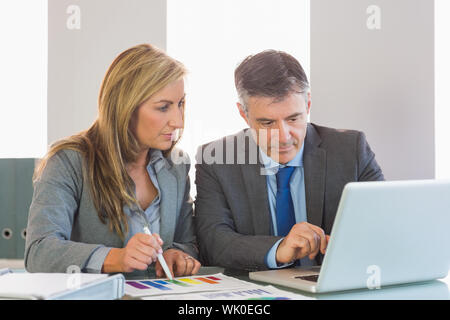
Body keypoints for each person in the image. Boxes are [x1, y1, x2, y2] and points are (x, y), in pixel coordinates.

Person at [194, 49, 384, 271]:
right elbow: (213, 243)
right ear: (243, 114)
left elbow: (384, 223)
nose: (283, 136)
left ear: (308, 105)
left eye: (293, 118)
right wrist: (278, 248)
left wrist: (352, 244)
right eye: (267, 123)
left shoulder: (351, 150)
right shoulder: (217, 160)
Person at [25, 44, 201, 278]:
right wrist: (115, 258)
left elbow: (188, 243)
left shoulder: (177, 165)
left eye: (180, 104)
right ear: (125, 107)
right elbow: (39, 252)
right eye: (163, 107)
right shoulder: (69, 162)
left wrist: (176, 255)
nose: (178, 121)